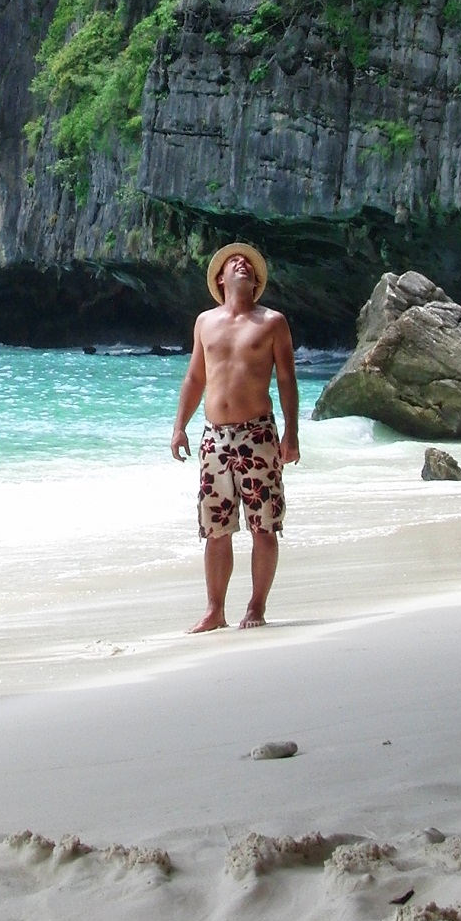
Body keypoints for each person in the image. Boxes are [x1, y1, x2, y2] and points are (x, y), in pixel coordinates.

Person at [170, 243, 299, 632]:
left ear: (255, 282)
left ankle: (256, 607)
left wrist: (291, 433)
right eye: (232, 262)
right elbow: (195, 378)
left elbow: (287, 379)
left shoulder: (272, 322)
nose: (240, 263)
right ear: (221, 279)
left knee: (264, 526)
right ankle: (215, 610)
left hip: (258, 434)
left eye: (247, 263)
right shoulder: (204, 322)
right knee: (215, 528)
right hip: (214, 438)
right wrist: (179, 426)